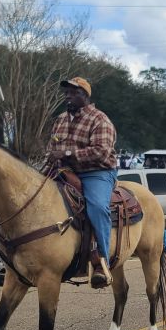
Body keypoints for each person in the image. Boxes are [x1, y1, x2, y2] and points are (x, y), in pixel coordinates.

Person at [45, 77, 118, 289]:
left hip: (97, 172)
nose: (67, 95)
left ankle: (101, 262)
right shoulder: (60, 119)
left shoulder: (100, 120)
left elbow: (101, 152)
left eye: (73, 92)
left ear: (85, 96)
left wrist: (67, 152)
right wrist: (52, 156)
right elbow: (53, 146)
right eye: (66, 92)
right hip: (64, 171)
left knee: (96, 207)